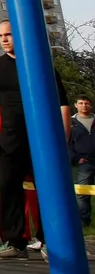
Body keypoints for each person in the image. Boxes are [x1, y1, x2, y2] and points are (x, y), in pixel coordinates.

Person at [0, 20, 70, 261]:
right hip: (9, 135)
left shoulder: (40, 65)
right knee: (7, 185)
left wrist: (63, 138)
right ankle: (14, 242)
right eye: (0, 36)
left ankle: (52, 241)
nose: (4, 39)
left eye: (9, 34)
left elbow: (62, 104)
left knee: (50, 186)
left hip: (43, 135)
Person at [70, 96, 95, 227]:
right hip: (84, 162)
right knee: (82, 193)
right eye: (81, 103)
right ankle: (83, 221)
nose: (84, 105)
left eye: (87, 103)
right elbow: (67, 143)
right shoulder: (71, 123)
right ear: (76, 105)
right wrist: (76, 158)